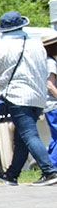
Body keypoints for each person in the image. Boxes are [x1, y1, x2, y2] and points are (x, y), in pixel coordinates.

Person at [0, 13, 57, 186]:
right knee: (22, 138)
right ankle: (12, 174)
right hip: (38, 97)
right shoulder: (37, 44)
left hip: (18, 95)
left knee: (29, 134)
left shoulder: (2, 45)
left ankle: (49, 171)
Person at [44, 32, 57, 167]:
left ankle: (48, 165)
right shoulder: (51, 63)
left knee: (55, 138)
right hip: (54, 104)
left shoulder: (45, 61)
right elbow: (50, 85)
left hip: (48, 105)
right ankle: (52, 167)